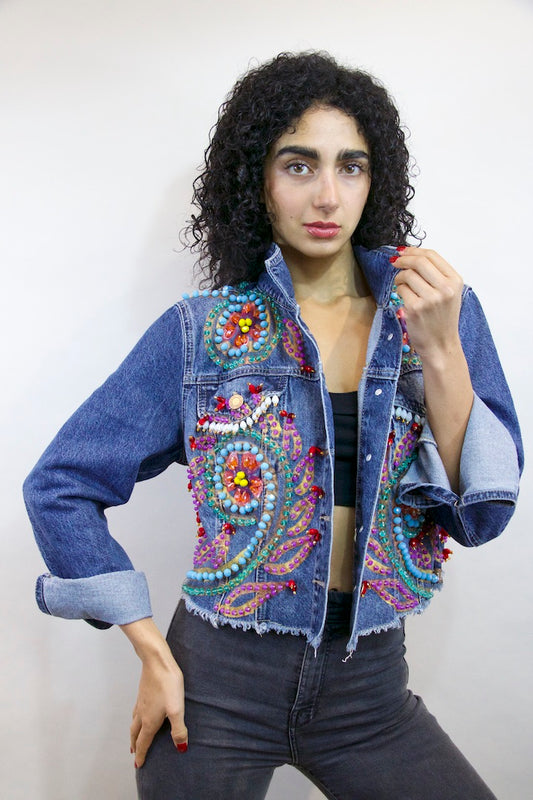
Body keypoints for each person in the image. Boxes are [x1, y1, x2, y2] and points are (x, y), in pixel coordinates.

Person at [24, 52, 522, 800]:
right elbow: (61, 483)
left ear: (374, 180)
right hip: (212, 688)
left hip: (370, 692)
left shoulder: (435, 311)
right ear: (256, 181)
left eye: (350, 166)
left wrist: (442, 350)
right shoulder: (202, 332)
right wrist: (150, 649)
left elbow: (479, 515)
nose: (327, 195)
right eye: (298, 166)